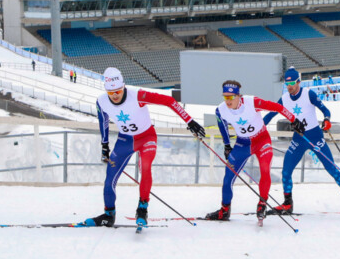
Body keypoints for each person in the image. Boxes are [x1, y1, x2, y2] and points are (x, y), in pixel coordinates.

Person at [85, 67, 205, 228]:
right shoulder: (101, 101)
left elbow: (169, 101)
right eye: (111, 92)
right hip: (125, 140)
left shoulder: (138, 95)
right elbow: (103, 121)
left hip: (146, 138)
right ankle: (109, 214)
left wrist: (190, 121)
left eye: (118, 91)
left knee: (146, 166)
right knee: (109, 179)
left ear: (124, 87)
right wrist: (104, 145)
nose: (115, 95)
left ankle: (142, 209)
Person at [263, 67, 340, 215]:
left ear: (298, 82)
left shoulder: (308, 94)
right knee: (286, 170)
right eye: (287, 84)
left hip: (315, 137)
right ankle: (287, 203)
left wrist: (327, 120)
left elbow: (326, 111)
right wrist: (258, 128)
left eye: (292, 84)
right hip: (298, 138)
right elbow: (270, 115)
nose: (290, 87)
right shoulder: (284, 98)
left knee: (331, 168)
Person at [206, 80, 299, 222]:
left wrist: (294, 119)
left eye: (231, 97)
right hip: (243, 143)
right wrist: (226, 145)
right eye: (225, 97)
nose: (228, 101)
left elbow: (277, 107)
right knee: (228, 177)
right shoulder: (221, 110)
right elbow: (222, 127)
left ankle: (262, 203)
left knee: (265, 169)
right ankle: (225, 210)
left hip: (262, 140)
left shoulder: (252, 102)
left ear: (238, 96)